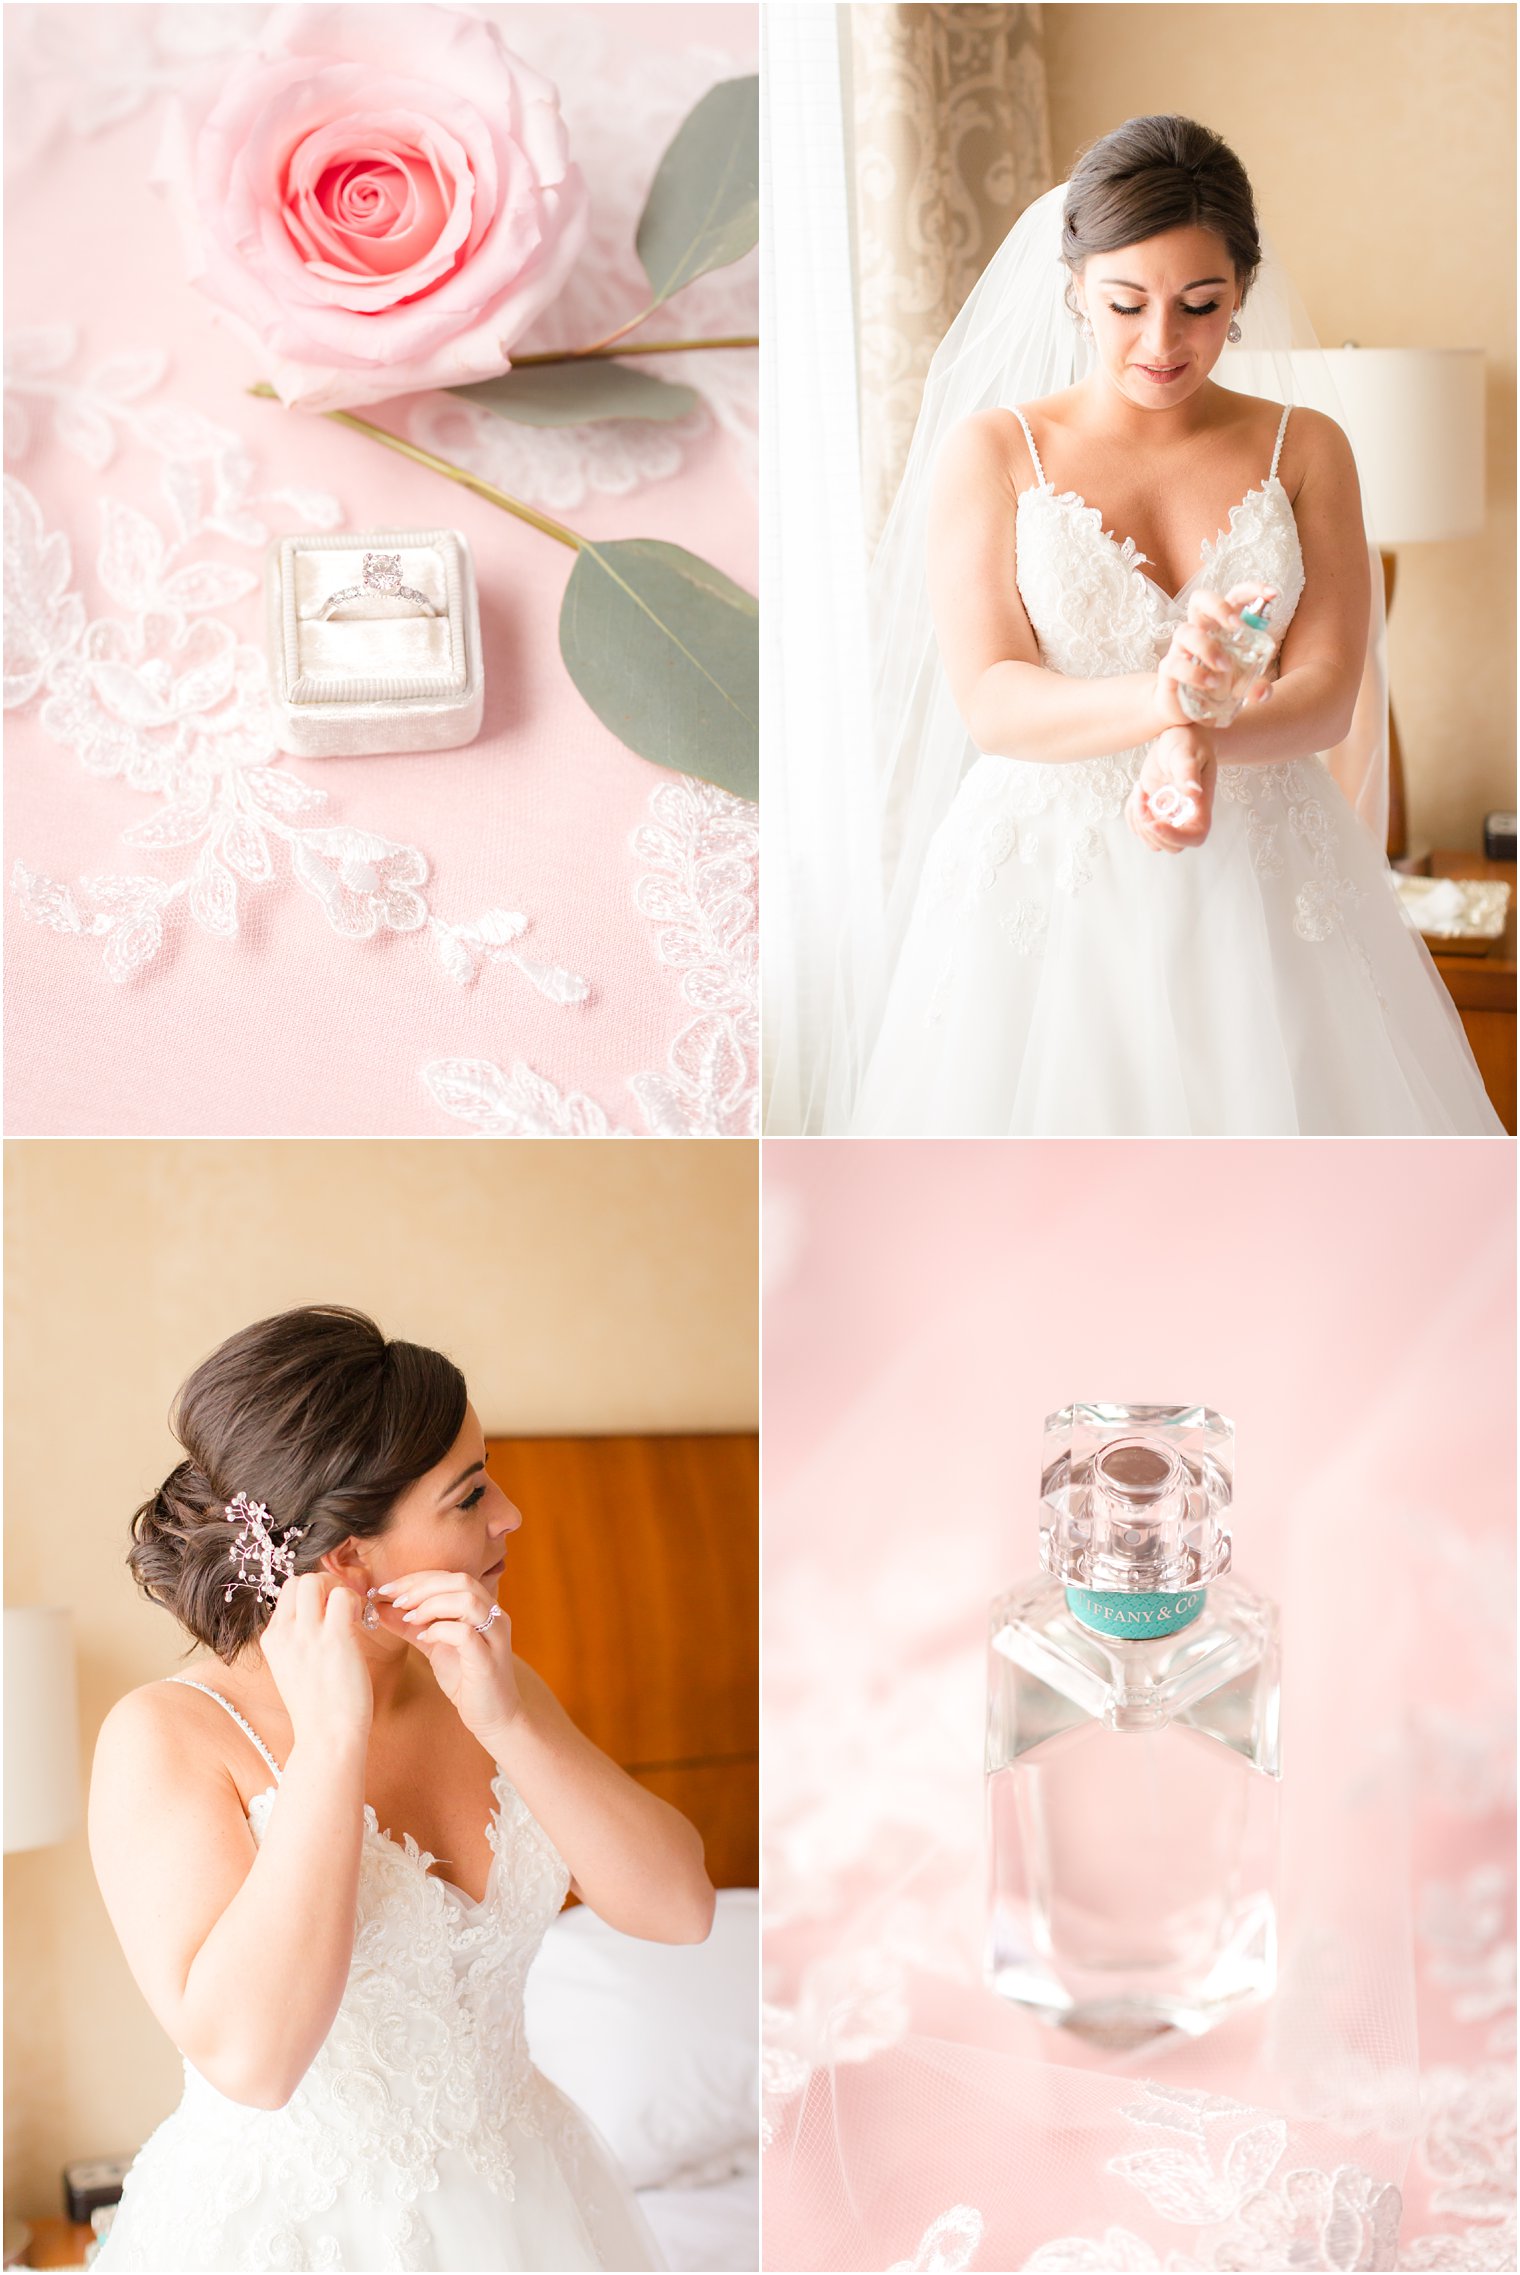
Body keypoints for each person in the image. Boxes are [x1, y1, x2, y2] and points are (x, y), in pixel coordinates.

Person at [842, 114, 1502, 1135]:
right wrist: (1166, 706)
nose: (1160, 343)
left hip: (1265, 869)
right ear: (1072, 284)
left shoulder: (1306, 447)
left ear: (1241, 290)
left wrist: (1196, 743)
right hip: (1045, 878)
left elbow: (1326, 693)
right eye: (1124, 304)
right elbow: (991, 698)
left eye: (1198, 305)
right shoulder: (993, 452)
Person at [88, 1306, 713, 2273]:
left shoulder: (481, 1675)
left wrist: (510, 1718)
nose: (510, 1513)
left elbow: (681, 1910)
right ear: (345, 1555)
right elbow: (255, 2063)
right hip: (293, 2236)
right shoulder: (166, 1737)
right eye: (469, 1496)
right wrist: (334, 1740)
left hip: (530, 2203)